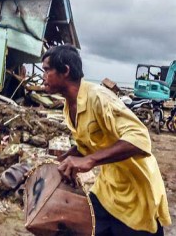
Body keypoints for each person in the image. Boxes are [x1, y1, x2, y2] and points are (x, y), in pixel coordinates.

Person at [41, 44, 171, 235]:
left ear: (65, 71)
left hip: (136, 193)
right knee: (77, 228)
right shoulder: (70, 107)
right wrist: (58, 164)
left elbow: (140, 138)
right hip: (108, 188)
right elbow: (87, 146)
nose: (42, 75)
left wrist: (90, 160)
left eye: (46, 69)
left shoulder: (99, 98)